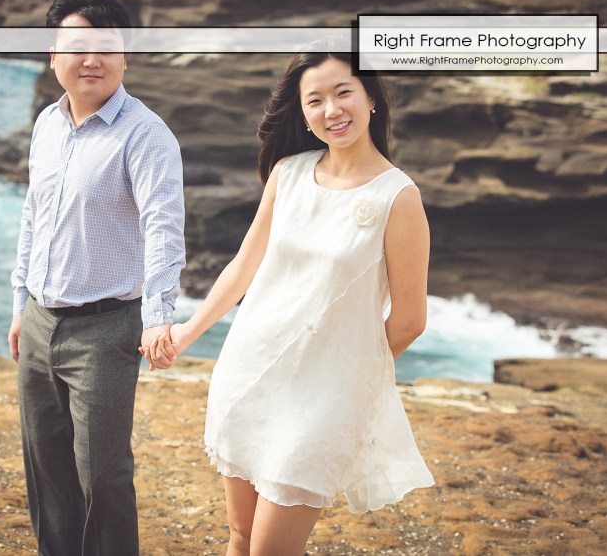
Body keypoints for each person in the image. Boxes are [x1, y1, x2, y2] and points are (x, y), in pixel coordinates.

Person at [144, 46, 435, 554]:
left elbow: (409, 321)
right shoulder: (289, 173)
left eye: (343, 92)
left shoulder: (398, 198)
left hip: (323, 399)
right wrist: (187, 333)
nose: (332, 110)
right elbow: (243, 267)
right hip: (250, 370)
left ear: (371, 98)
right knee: (239, 537)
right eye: (315, 100)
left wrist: (343, 376)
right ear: (303, 113)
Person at [7, 0, 185, 555]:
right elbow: (34, 219)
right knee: (47, 471)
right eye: (77, 46)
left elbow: (163, 228)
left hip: (106, 329)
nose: (92, 59)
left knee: (102, 477)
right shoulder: (46, 125)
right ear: (53, 56)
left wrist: (159, 317)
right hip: (39, 322)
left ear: (124, 54)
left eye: (106, 45)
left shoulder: (146, 135)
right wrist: (20, 306)